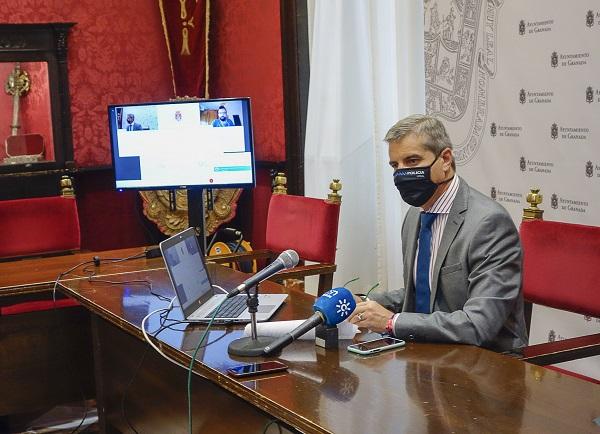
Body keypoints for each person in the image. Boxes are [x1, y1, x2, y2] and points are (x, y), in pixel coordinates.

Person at [348, 114, 527, 352]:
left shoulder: (489, 223)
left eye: (412, 161)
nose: (401, 173)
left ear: (445, 159)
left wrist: (391, 322)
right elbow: (425, 292)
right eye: (395, 165)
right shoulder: (415, 215)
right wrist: (365, 303)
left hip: (485, 362)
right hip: (427, 351)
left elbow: (478, 324)